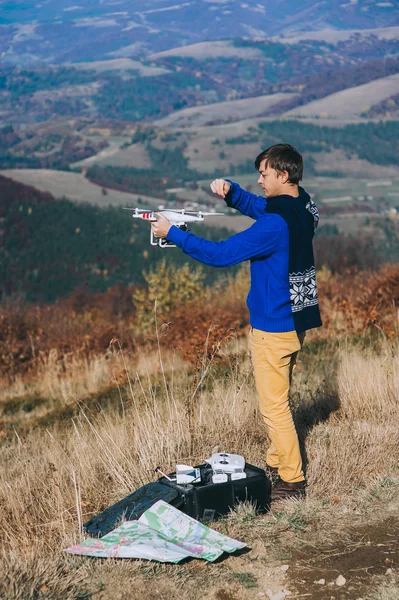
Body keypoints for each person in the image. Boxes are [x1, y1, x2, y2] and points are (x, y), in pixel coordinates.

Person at [151, 143, 322, 500]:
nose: (259, 180)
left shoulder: (275, 226)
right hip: (296, 320)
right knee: (280, 398)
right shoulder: (304, 205)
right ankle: (277, 462)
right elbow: (265, 207)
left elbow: (221, 254)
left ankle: (292, 481)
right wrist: (233, 193)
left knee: (274, 407)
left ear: (283, 175)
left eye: (264, 174)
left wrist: (175, 234)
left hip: (272, 327)